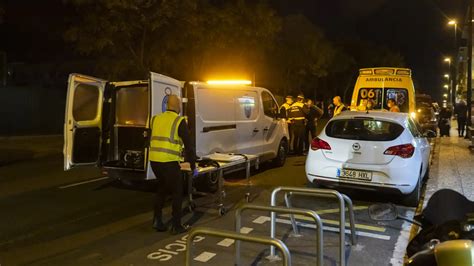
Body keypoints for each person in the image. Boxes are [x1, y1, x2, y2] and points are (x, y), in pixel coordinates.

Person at [149, 94, 197, 234]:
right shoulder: (179, 121)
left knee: (161, 189)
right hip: (169, 161)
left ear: (167, 105)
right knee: (177, 192)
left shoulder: (155, 119)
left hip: (154, 161)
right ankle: (176, 225)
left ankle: (157, 220)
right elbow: (188, 146)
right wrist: (193, 165)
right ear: (177, 106)